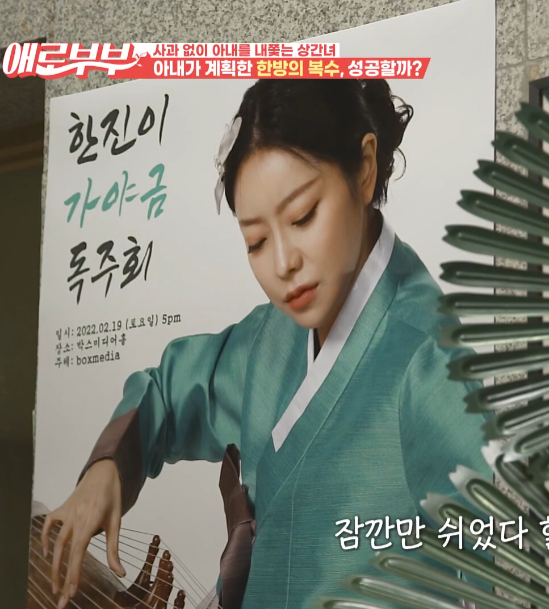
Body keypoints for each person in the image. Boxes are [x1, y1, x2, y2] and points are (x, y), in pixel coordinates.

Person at [39, 78, 491, 609]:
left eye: (303, 217)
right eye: (255, 241)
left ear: (364, 170)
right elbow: (170, 391)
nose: (282, 263)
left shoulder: (429, 360)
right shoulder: (271, 341)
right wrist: (107, 469)